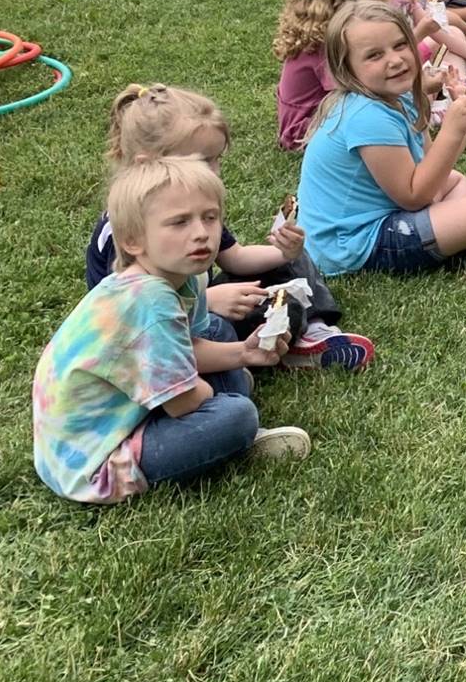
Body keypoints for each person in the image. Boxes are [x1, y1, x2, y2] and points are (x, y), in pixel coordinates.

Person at [34, 157, 311, 503]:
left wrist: (244, 353)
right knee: (237, 416)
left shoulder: (185, 277)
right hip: (93, 460)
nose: (201, 232)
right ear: (134, 241)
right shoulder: (149, 303)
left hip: (127, 408)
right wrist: (212, 394)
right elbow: (183, 404)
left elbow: (191, 345)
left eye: (210, 217)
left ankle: (225, 409)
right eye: (179, 222)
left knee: (220, 331)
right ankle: (237, 438)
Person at [88, 83, 371, 370]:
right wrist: (208, 300)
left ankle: (314, 331)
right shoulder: (127, 229)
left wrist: (285, 252)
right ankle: (281, 344)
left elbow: (234, 257)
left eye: (216, 160)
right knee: (264, 315)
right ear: (147, 163)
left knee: (293, 261)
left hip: (199, 306)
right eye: (201, 161)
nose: (212, 171)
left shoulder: (193, 206)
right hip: (166, 332)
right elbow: (127, 314)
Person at [297, 0, 466, 275]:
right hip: (353, 246)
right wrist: (452, 128)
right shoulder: (366, 116)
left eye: (400, 45)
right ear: (347, 69)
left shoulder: (399, 96)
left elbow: (431, 164)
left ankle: (462, 242)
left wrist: (464, 123)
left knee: (456, 180)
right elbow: (415, 197)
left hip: (386, 213)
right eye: (374, 55)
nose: (395, 59)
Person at [274, 0, 392, 150]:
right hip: (306, 130)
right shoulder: (329, 41)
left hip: (324, 113)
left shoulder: (326, 25)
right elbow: (360, 90)